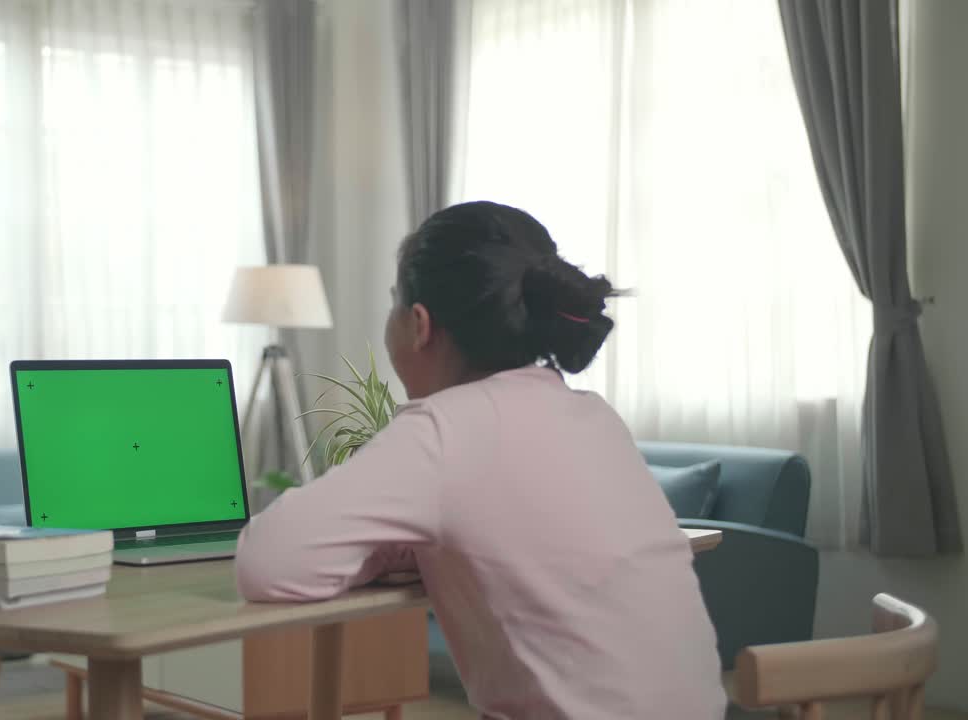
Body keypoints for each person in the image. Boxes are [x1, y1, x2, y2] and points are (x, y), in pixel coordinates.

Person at [234, 201, 725, 719]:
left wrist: (391, 552)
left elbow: (266, 563)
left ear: (418, 324)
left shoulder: (444, 429)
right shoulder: (594, 419)